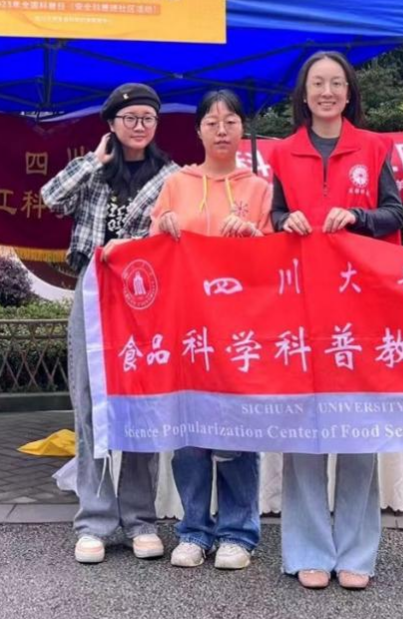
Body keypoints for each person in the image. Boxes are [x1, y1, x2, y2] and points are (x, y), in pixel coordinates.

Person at [270, 51, 403, 591]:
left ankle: (356, 552)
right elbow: (272, 216)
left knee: (356, 428)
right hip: (301, 309)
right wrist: (286, 220)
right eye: (317, 83)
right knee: (305, 430)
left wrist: (358, 216)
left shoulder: (374, 147)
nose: (326, 91)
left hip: (360, 308)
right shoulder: (282, 153)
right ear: (303, 94)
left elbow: (396, 213)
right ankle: (307, 548)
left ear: (349, 93)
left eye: (336, 83)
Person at [41, 83, 179, 564]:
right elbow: (51, 198)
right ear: (112, 124)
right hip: (94, 290)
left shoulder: (172, 176)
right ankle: (95, 520)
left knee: (143, 400)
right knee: (89, 400)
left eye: (148, 118)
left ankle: (140, 519)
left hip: (147, 296)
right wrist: (91, 162)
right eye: (130, 118)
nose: (139, 127)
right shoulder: (94, 170)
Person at [150, 89, 272, 571]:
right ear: (198, 131)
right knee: (189, 431)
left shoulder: (259, 189)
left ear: (243, 129)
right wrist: (163, 225)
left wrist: (255, 237)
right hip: (186, 326)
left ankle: (238, 532)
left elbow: (275, 262)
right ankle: (194, 529)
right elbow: (151, 249)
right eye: (212, 122)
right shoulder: (175, 184)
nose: (221, 130)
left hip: (239, 328)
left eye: (231, 121)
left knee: (236, 430)